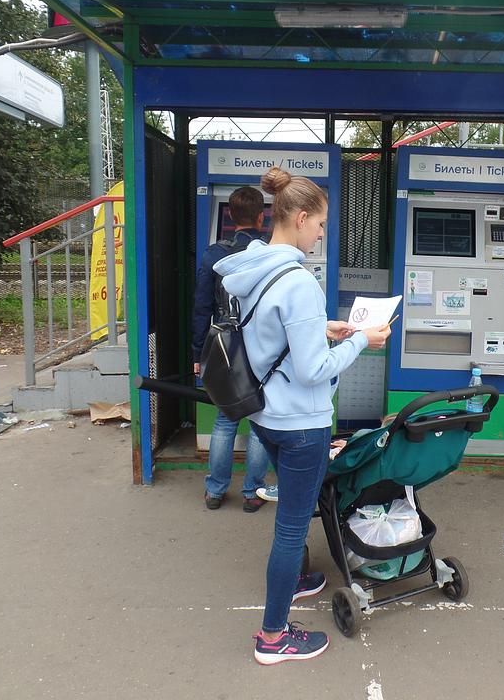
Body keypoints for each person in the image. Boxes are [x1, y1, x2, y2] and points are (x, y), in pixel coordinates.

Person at [214, 167, 391, 664]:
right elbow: (313, 370)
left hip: (265, 415)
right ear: (300, 217)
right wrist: (361, 340)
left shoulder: (253, 269)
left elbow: (273, 337)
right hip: (301, 425)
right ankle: (273, 637)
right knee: (292, 528)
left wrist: (324, 329)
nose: (320, 234)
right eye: (320, 225)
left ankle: (293, 579)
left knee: (291, 519)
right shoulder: (300, 282)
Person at [192, 185, 270, 513]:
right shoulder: (270, 253)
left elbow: (201, 308)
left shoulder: (214, 254)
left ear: (230, 215)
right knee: (260, 422)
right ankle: (253, 492)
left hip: (225, 348)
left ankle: (215, 490)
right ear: (262, 217)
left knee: (225, 420)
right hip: (263, 348)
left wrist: (198, 354)